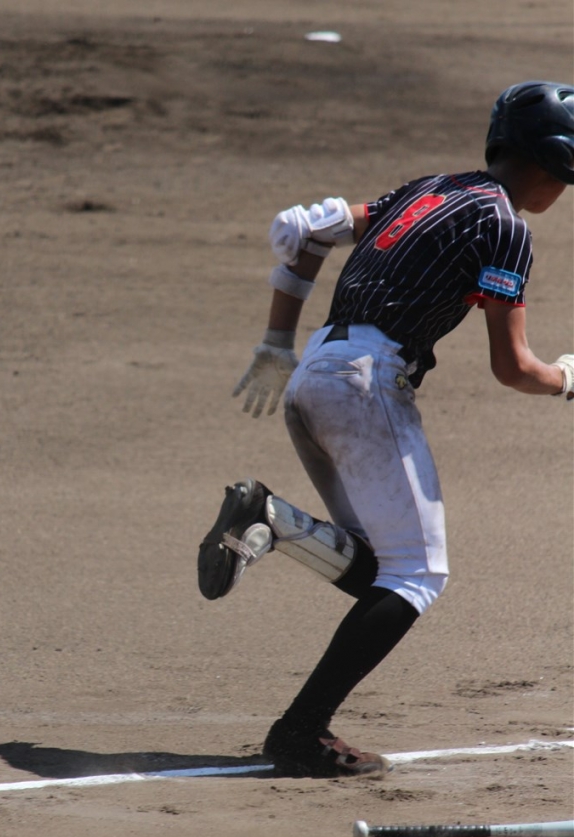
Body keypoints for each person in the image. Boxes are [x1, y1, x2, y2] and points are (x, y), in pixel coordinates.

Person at [197, 81, 574, 779]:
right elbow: (513, 367)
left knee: (378, 569)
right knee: (418, 575)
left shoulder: (431, 188)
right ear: (554, 165)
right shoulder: (507, 227)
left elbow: (311, 231)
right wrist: (566, 379)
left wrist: (277, 342)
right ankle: (299, 731)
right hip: (366, 387)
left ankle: (275, 523)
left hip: (315, 375)